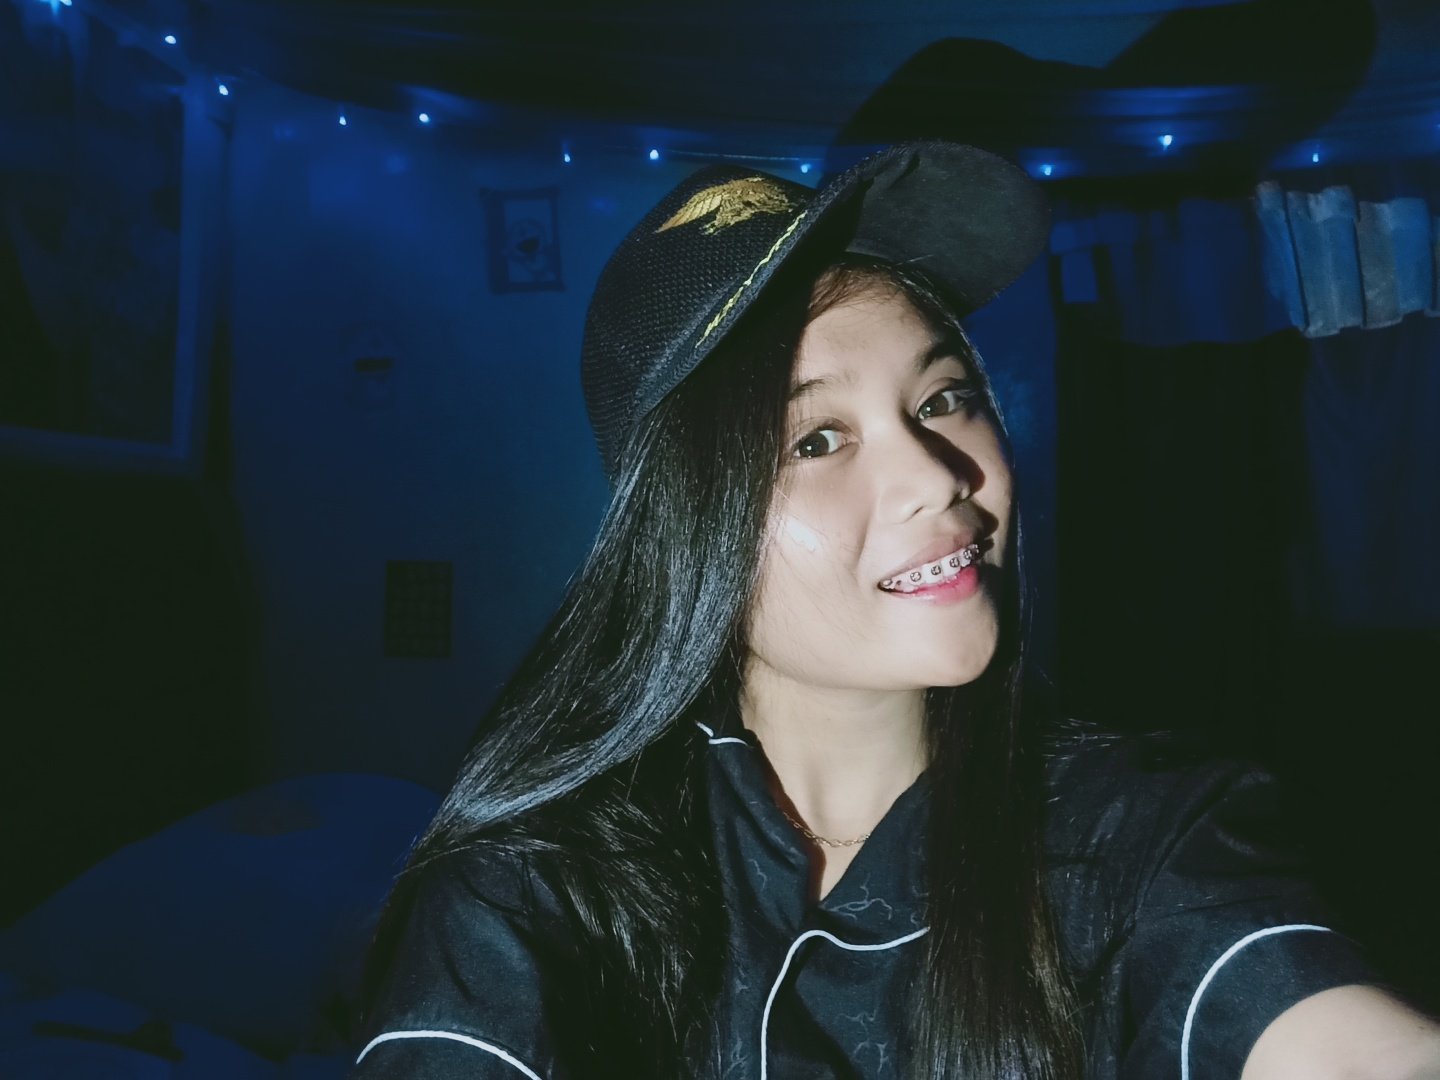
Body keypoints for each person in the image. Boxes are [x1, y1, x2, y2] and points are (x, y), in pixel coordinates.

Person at [350, 140, 1440, 1079]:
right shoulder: (536, 899)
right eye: (816, 438)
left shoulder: (1132, 839)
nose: (936, 474)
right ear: (685, 530)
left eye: (943, 398)